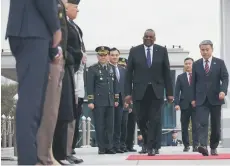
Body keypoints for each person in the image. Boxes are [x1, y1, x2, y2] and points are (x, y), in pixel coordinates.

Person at [6, 0, 62, 164]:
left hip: (27, 30)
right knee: (31, 102)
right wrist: (55, 26)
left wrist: (51, 51)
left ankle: (29, 158)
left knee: (32, 100)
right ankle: (28, 160)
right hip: (32, 31)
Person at [125, 29, 173, 156]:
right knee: (141, 119)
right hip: (139, 92)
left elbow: (167, 73)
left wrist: (169, 92)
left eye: (151, 37)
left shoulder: (162, 50)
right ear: (143, 37)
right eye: (146, 36)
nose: (148, 38)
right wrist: (127, 93)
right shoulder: (134, 51)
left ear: (155, 38)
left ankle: (151, 146)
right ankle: (147, 142)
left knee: (154, 119)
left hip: (156, 91)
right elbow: (129, 73)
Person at [36, 0, 68, 165]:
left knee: (52, 111)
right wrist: (53, 50)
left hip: (54, 58)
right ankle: (42, 157)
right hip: (48, 58)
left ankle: (46, 153)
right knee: (48, 110)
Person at [52, 0, 83, 164]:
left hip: (71, 69)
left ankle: (66, 151)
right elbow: (62, 46)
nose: (77, 10)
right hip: (63, 66)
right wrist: (74, 56)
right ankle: (59, 153)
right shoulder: (60, 18)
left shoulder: (74, 26)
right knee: (63, 111)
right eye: (75, 7)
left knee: (69, 112)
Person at [191, 40, 229, 156]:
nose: (205, 52)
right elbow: (193, 83)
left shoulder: (220, 63)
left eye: (207, 50)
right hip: (201, 99)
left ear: (212, 49)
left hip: (216, 98)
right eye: (202, 50)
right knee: (202, 123)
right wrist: (193, 98)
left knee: (215, 125)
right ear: (200, 50)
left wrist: (223, 91)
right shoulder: (196, 64)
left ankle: (213, 146)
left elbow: (225, 78)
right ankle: (203, 146)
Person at [87, 46, 119, 154]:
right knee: (100, 125)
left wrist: (116, 99)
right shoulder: (93, 69)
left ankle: (109, 147)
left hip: (110, 101)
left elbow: (115, 85)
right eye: (101, 55)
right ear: (97, 56)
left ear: (108, 56)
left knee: (110, 126)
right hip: (99, 102)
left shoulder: (112, 68)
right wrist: (90, 101)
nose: (103, 57)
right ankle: (101, 148)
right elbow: (90, 86)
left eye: (105, 55)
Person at [174, 57, 199, 152]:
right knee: (184, 126)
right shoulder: (180, 77)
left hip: (196, 105)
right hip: (184, 105)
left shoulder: (198, 76)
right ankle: (186, 145)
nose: (188, 65)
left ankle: (196, 145)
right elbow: (176, 92)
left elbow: (200, 90)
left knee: (196, 126)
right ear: (184, 65)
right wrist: (176, 104)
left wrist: (197, 100)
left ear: (193, 64)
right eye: (186, 64)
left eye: (189, 63)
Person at [109, 49, 126, 153]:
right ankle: (110, 146)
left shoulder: (122, 69)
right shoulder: (107, 68)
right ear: (109, 56)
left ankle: (117, 145)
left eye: (116, 55)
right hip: (110, 99)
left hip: (120, 99)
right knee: (110, 124)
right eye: (112, 55)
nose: (114, 57)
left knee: (119, 124)